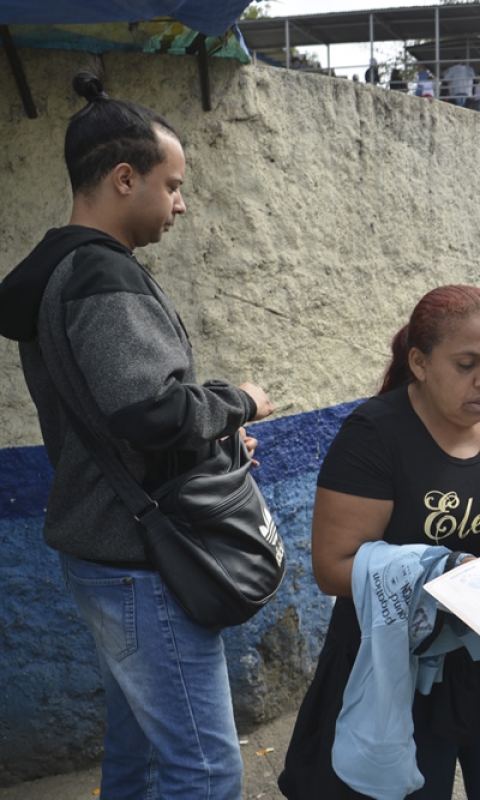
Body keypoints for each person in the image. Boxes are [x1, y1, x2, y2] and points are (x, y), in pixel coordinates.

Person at [0, 72, 274, 798]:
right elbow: (147, 412)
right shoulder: (99, 276)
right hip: (144, 559)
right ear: (126, 178)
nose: (181, 203)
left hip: (113, 546)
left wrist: (211, 441)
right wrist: (235, 403)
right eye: (173, 184)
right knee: (205, 769)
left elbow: (120, 417)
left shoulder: (63, 272)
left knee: (141, 753)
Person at [278, 285, 480, 799]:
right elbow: (333, 566)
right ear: (418, 363)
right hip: (406, 659)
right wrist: (435, 570)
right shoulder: (374, 436)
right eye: (467, 364)